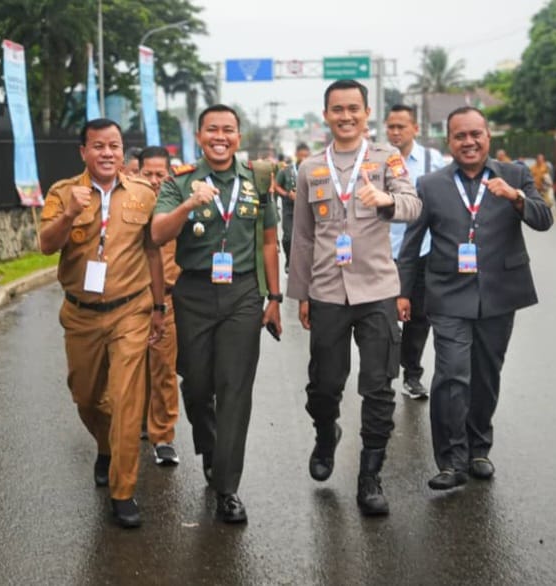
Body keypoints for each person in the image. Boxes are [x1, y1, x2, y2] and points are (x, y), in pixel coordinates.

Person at [397, 107, 553, 490]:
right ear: (449, 142)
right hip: (448, 293)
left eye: (475, 134)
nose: (469, 142)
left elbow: (543, 218)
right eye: (460, 136)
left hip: (500, 294)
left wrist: (517, 198)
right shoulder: (431, 185)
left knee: (485, 375)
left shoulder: (514, 175)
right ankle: (451, 460)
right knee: (451, 374)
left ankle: (479, 448)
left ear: (488, 137)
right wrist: (402, 293)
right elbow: (411, 244)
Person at [287, 80, 421, 516]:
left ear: (367, 114)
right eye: (337, 109)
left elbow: (412, 205)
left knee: (379, 386)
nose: (346, 116)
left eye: (354, 109)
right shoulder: (309, 168)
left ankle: (370, 476)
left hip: (378, 290)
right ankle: (327, 435)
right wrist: (301, 293)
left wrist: (386, 200)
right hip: (326, 291)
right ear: (325, 114)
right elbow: (303, 235)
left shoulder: (387, 159)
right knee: (323, 386)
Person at [152, 104, 282, 524]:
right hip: (193, 292)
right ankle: (210, 446)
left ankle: (227, 487)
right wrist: (189, 204)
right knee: (196, 386)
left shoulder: (257, 180)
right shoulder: (180, 181)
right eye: (212, 130)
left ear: (238, 137)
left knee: (234, 389)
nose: (220, 136)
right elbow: (157, 234)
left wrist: (274, 298)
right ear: (201, 136)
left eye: (228, 130)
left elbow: (267, 242)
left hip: (243, 293)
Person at [39, 118, 165, 529]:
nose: (107, 153)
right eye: (98, 146)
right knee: (87, 397)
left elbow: (152, 253)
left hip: (131, 310)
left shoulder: (144, 193)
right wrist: (71, 213)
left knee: (128, 402)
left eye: (113, 145)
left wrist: (159, 307)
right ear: (83, 152)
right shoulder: (63, 193)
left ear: (122, 151)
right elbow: (46, 245)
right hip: (80, 313)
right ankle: (105, 447)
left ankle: (123, 491)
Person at [385, 104, 446, 400]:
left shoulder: (434, 161)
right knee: (382, 316)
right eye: (391, 127)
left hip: (423, 251)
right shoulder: (377, 159)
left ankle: (411, 373)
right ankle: (382, 374)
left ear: (415, 129)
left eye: (401, 127)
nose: (395, 132)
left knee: (419, 316)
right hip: (383, 251)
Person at [138, 146, 181, 466]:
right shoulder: (128, 204)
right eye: (147, 173)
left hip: (166, 299)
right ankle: (135, 422)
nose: (154, 180)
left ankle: (163, 435)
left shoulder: (177, 206)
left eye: (160, 174)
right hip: (128, 300)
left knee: (163, 367)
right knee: (130, 369)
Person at [275, 143, 311, 275]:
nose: (303, 159)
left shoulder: (313, 170)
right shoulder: (286, 170)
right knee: (288, 238)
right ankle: (289, 261)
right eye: (301, 156)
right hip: (290, 209)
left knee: (307, 239)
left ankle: (305, 265)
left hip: (307, 209)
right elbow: (276, 186)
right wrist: (287, 194)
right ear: (296, 155)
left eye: (306, 156)